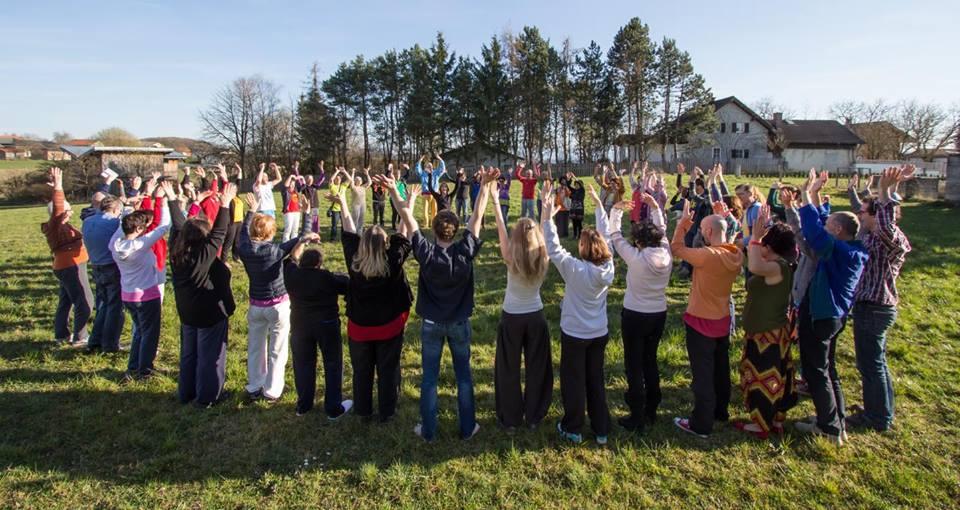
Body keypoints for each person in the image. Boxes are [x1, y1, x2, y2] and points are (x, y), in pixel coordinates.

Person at [401, 166, 494, 442]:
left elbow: (408, 219)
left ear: (435, 230)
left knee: (429, 379)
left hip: (431, 324)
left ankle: (428, 431)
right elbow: (477, 216)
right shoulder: (465, 250)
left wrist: (405, 196)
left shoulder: (426, 252)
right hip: (459, 323)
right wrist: (486, 187)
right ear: (455, 231)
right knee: (464, 377)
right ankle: (468, 428)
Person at [793, 171, 868, 446]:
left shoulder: (838, 251)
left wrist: (804, 199)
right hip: (835, 316)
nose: (825, 226)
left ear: (837, 231)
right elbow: (822, 223)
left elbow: (813, 231)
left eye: (829, 225)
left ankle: (829, 426)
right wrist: (814, 194)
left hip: (821, 316)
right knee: (829, 368)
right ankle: (838, 419)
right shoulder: (851, 247)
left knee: (816, 371)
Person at [544, 181, 616, 445]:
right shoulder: (608, 268)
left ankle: (573, 427)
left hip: (575, 333)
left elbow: (553, 248)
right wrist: (599, 207)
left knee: (574, 381)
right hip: (598, 332)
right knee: (595, 380)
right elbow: (606, 238)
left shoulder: (574, 270)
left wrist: (547, 217)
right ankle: (601, 429)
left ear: (584, 249)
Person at [342, 176, 415, 422]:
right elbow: (404, 232)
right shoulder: (392, 260)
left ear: (363, 244)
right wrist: (407, 202)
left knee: (362, 371)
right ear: (386, 243)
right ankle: (387, 411)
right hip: (389, 326)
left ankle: (363, 410)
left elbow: (348, 230)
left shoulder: (354, 261)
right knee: (388, 369)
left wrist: (342, 200)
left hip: (360, 328)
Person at [846, 166, 913, 433]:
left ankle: (877, 417)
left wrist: (886, 193)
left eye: (864, 211)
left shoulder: (890, 238)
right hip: (869, 307)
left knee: (871, 364)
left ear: (877, 215)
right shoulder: (873, 236)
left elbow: (887, 223)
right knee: (874, 362)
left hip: (875, 309)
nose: (859, 214)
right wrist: (884, 192)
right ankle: (880, 410)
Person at [671, 198, 744, 438]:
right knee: (720, 369)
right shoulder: (735, 254)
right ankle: (721, 410)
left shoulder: (706, 255)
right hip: (722, 318)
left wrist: (682, 225)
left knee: (702, 373)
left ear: (709, 231)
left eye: (702, 230)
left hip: (701, 321)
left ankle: (701, 422)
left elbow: (677, 249)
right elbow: (730, 237)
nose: (700, 233)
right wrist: (722, 218)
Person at [489, 177, 553, 431]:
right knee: (537, 367)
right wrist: (546, 208)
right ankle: (534, 416)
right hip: (535, 317)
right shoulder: (544, 257)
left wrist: (495, 200)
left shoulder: (509, 257)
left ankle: (511, 418)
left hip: (512, 317)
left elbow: (501, 227)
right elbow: (547, 233)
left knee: (508, 369)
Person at [607, 192, 672, 431]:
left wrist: (616, 210)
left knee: (633, 364)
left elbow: (615, 236)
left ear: (639, 241)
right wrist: (655, 207)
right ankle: (652, 407)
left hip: (635, 315)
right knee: (650, 361)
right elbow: (663, 230)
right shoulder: (665, 251)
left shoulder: (636, 257)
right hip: (658, 314)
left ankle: (636, 413)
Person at [169, 180, 236, 407]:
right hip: (207, 313)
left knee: (189, 354)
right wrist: (225, 205)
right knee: (210, 357)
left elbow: (178, 227)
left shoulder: (176, 251)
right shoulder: (203, 255)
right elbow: (219, 233)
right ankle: (208, 397)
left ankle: (186, 392)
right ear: (203, 237)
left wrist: (173, 202)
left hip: (186, 310)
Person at [735, 205, 798, 439]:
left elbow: (754, 266)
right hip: (763, 332)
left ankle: (762, 424)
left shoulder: (777, 267)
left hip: (767, 336)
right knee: (772, 377)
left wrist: (756, 239)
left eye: (762, 243)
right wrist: (751, 230)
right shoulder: (777, 264)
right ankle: (773, 419)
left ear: (769, 247)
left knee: (765, 380)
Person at [283, 219, 352, 419]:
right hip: (326, 324)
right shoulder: (328, 278)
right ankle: (333, 407)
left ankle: (303, 405)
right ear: (319, 264)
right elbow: (347, 283)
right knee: (332, 363)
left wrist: (304, 240)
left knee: (303, 364)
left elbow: (291, 258)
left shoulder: (291, 275)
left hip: (300, 325)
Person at [237, 192, 300, 402]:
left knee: (255, 348)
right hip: (278, 306)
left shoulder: (244, 248)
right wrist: (307, 216)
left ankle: (255, 385)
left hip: (256, 305)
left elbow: (243, 233)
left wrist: (251, 212)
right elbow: (298, 239)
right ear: (271, 233)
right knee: (277, 350)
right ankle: (272, 390)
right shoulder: (274, 251)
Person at [110, 183, 172, 380]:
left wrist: (131, 211)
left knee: (139, 332)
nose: (145, 229)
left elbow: (122, 228)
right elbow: (164, 226)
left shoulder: (116, 244)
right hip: (146, 295)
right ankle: (145, 370)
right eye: (142, 227)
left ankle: (133, 367)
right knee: (150, 334)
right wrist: (163, 201)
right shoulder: (139, 245)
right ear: (137, 229)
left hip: (127, 295)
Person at [43, 167, 93, 348]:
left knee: (66, 300)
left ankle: (61, 335)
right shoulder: (55, 226)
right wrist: (58, 187)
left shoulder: (63, 226)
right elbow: (58, 208)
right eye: (68, 209)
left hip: (67, 265)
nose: (70, 211)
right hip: (70, 266)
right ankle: (80, 337)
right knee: (85, 301)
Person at [82, 194, 124, 353]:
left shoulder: (87, 222)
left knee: (103, 305)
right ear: (114, 209)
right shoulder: (114, 223)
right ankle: (110, 344)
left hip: (96, 265)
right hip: (111, 266)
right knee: (115, 307)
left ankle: (95, 341)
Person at [416, 152, 445, 228]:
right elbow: (417, 169)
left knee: (434, 210)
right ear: (425, 167)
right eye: (428, 166)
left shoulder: (436, 173)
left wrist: (439, 158)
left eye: (431, 166)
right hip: (425, 194)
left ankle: (433, 224)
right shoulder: (423, 173)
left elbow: (442, 168)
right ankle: (425, 224)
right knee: (425, 210)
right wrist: (420, 160)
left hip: (435, 195)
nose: (430, 168)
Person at [327, 167, 348, 241]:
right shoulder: (332, 186)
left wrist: (344, 171)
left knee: (344, 225)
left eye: (339, 179)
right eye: (337, 178)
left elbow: (350, 180)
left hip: (343, 209)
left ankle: (344, 238)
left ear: (341, 180)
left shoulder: (343, 186)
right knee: (334, 226)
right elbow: (330, 180)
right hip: (335, 209)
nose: (338, 179)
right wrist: (337, 171)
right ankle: (333, 238)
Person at [281, 173, 303, 242]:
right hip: (288, 212)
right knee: (288, 229)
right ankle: (285, 242)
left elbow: (303, 186)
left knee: (295, 229)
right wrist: (290, 176)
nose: (292, 185)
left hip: (297, 212)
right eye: (291, 184)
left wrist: (301, 178)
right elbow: (285, 186)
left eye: (293, 184)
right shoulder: (285, 192)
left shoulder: (295, 191)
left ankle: (293, 242)